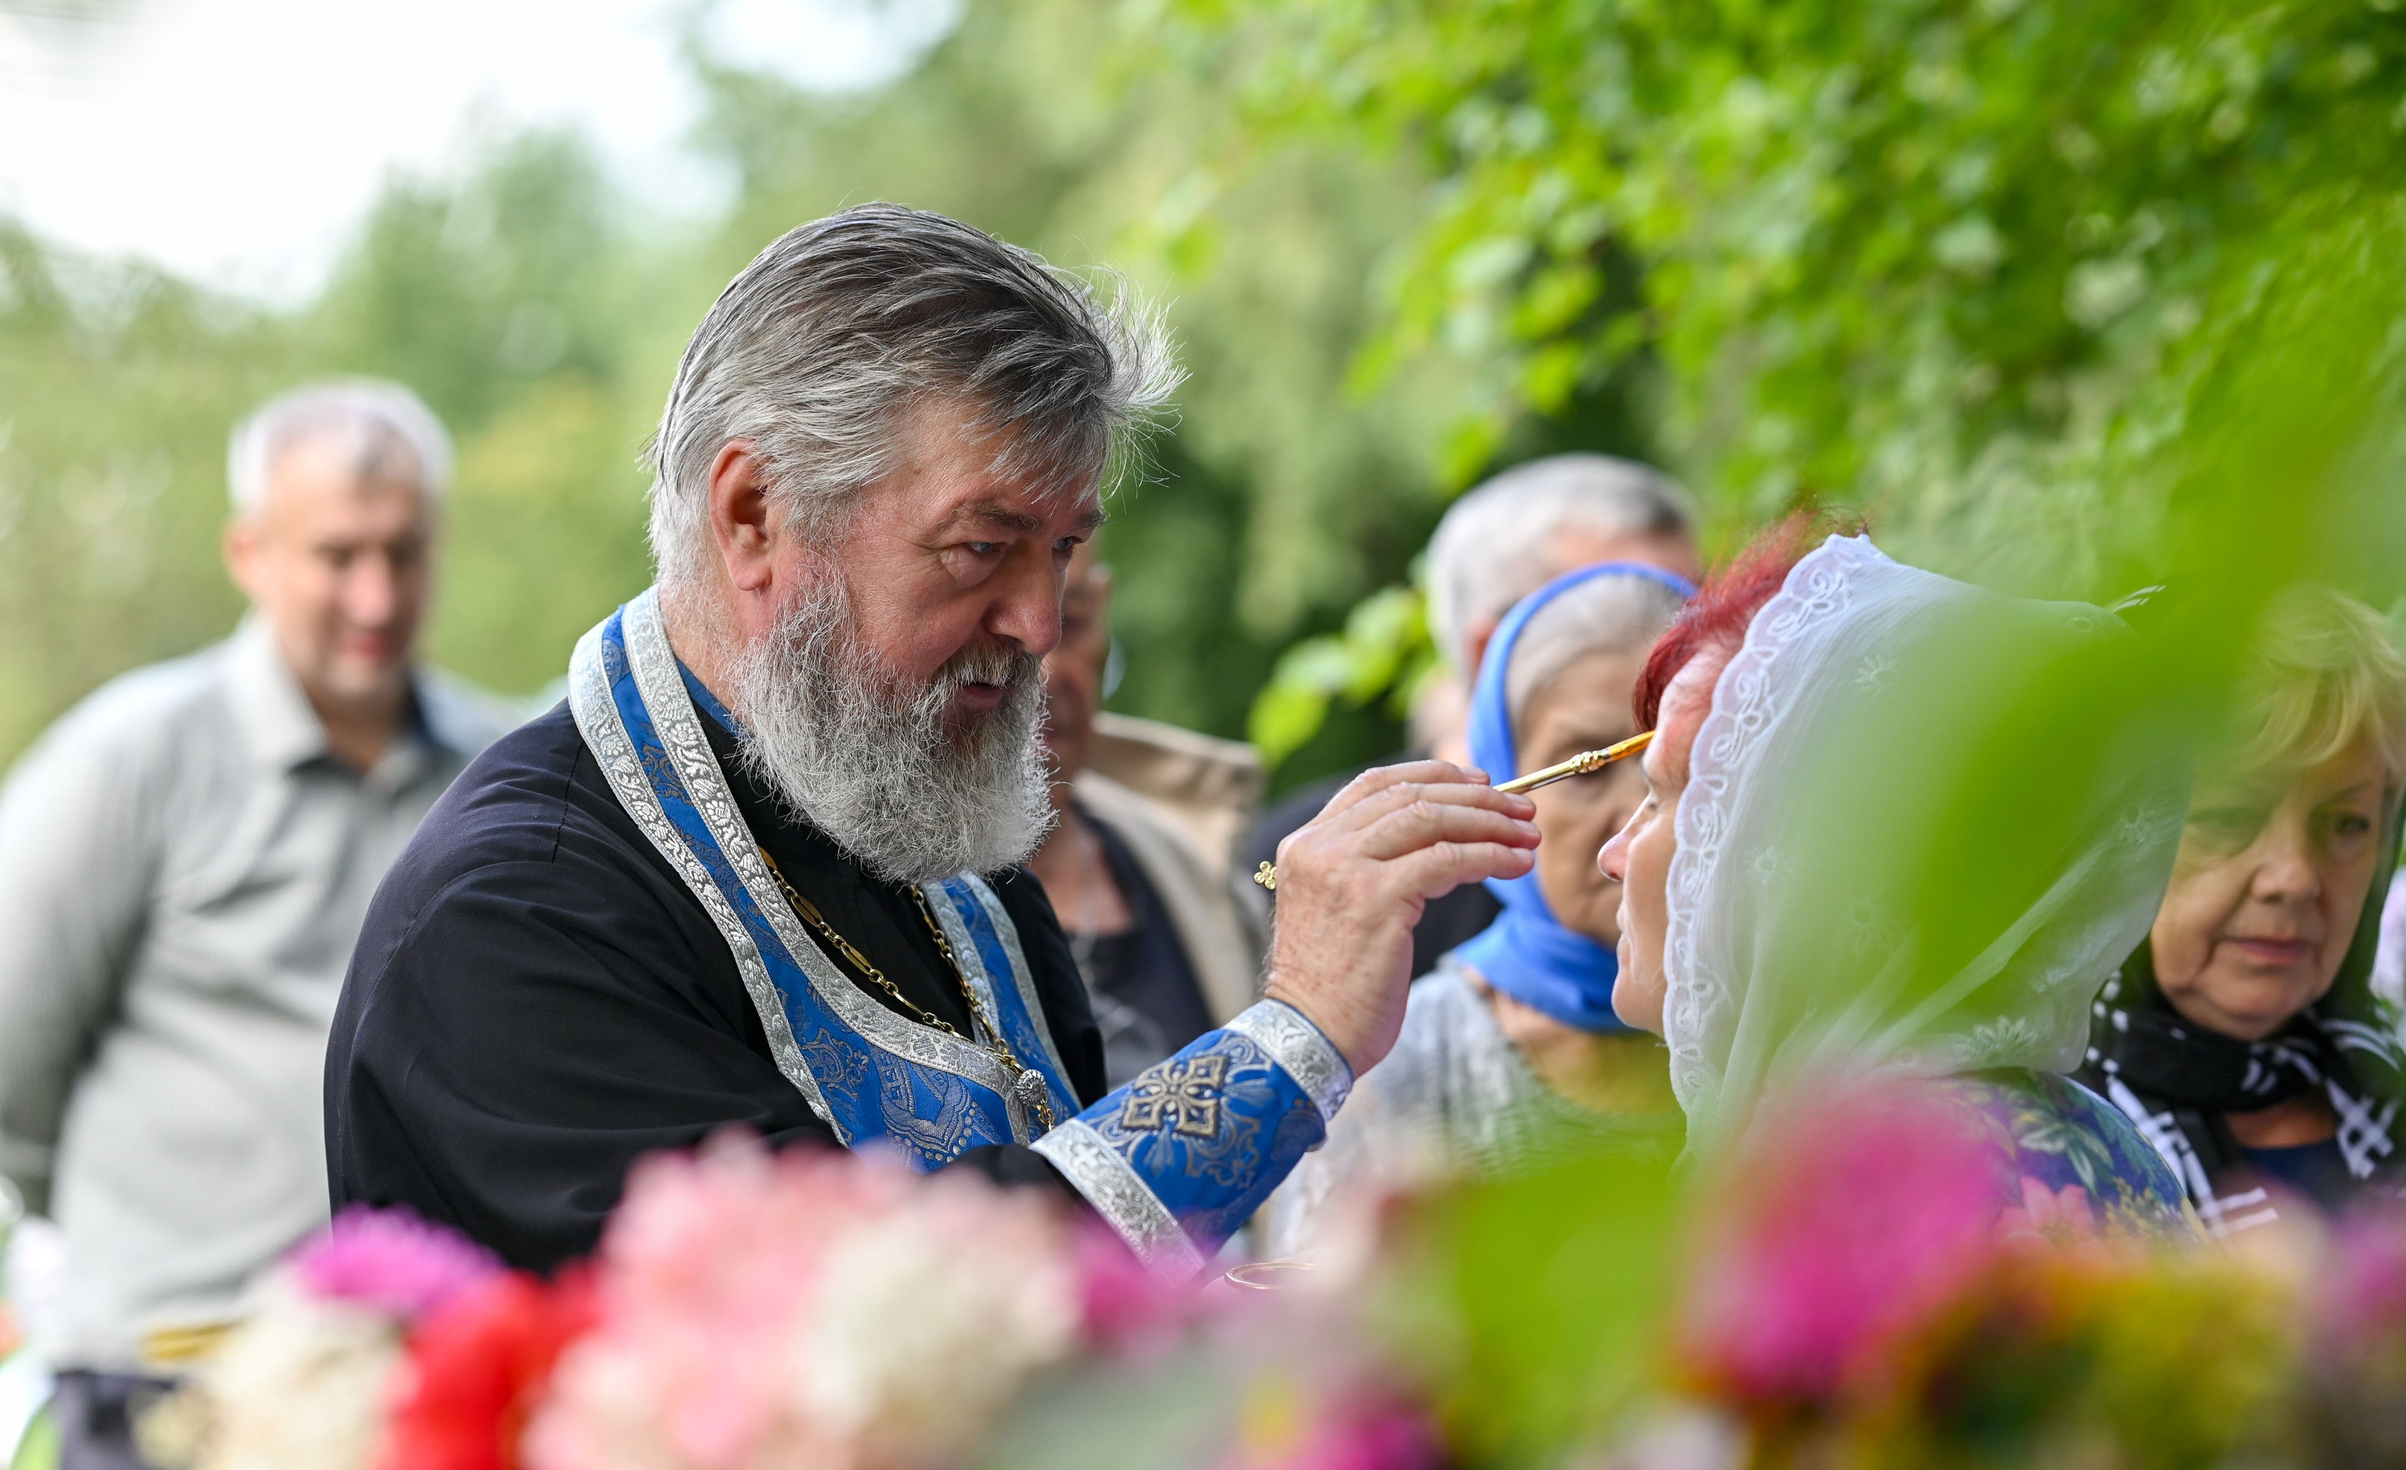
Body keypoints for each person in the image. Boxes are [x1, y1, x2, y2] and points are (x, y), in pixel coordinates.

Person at [325, 206, 1539, 1281]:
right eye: (980, 546)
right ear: (754, 513)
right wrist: (1292, 1036)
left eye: (1061, 550)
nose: (1040, 626)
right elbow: (853, 1332)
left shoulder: (916, 811)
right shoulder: (511, 918)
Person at [0, 380, 513, 1470]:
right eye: (338, 554)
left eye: (405, 551)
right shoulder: (125, 761)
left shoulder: (502, 775)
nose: (377, 597)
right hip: (174, 1399)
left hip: (415, 1396)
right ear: (250, 551)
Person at [1599, 520, 2191, 1232]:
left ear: (1798, 865)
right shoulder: (2104, 1139)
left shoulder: (1835, 1194)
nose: (1615, 851)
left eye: (1667, 800)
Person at [2074, 588, 2406, 1233]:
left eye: (2345, 822)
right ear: (2120, 838)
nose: (2294, 877)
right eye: (2230, 814)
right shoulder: (2032, 1151)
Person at [1266, 563, 1690, 1252]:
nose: (1631, 819)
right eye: (1584, 763)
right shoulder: (1407, 1060)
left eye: (1666, 765)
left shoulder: (1781, 1037)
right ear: (1501, 781)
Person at [1242, 455, 1702, 970]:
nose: (1684, 648)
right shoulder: (1301, 868)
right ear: (1492, 655)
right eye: (1609, 600)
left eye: (1693, 607)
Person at [1026, 546, 1267, 1085]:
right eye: (996, 627)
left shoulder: (1196, 864)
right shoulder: (871, 900)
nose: (1046, 671)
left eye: (1072, 622)